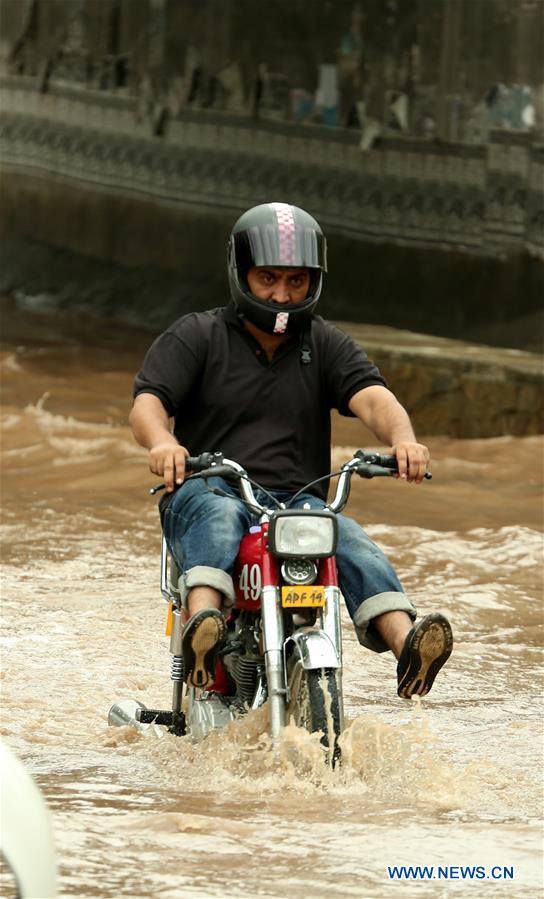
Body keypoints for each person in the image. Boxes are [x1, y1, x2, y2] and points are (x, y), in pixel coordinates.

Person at [130, 202, 452, 699]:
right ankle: (203, 627)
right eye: (268, 278)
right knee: (220, 515)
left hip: (296, 503)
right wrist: (163, 443)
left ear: (313, 281)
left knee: (347, 535)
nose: (282, 295)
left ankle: (407, 645)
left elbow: (373, 399)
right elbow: (148, 403)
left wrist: (403, 440)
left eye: (296, 281)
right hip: (209, 490)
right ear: (241, 273)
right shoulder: (196, 335)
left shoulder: (324, 343)